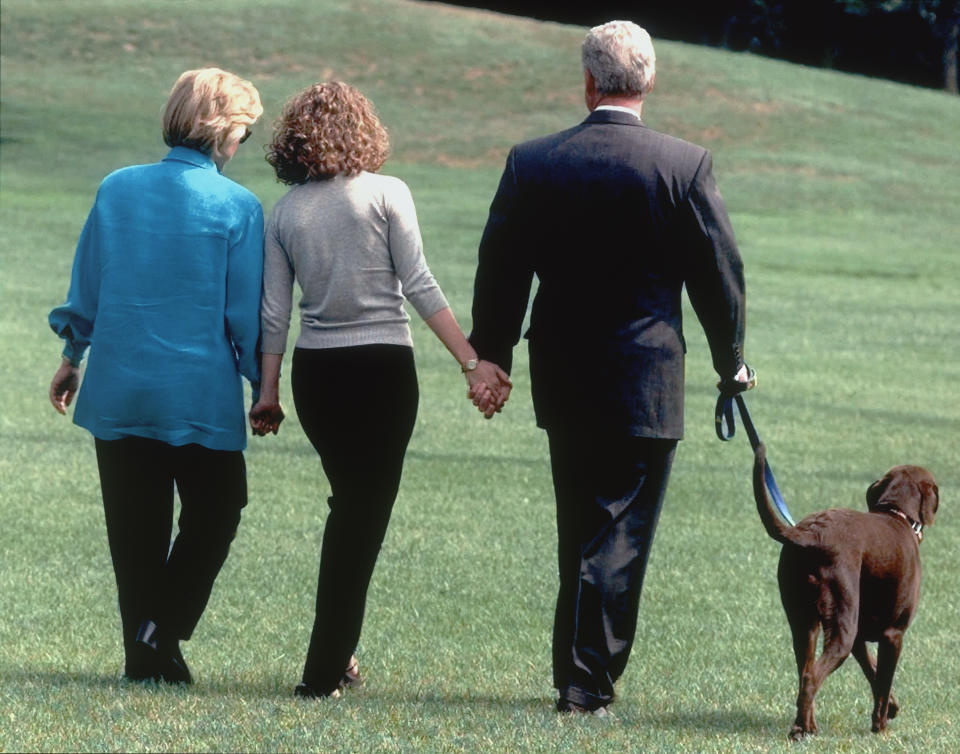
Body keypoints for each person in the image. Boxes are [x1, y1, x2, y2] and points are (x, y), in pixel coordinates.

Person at [467, 21, 754, 715]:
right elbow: (719, 277)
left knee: (582, 526)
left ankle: (575, 669)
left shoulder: (533, 161)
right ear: (648, 80)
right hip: (647, 374)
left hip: (561, 371)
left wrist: (493, 356)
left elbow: (499, 269)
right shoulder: (683, 165)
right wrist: (731, 363)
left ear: (589, 81)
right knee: (621, 532)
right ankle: (586, 680)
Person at [249, 81, 510, 699]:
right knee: (360, 517)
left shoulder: (284, 212)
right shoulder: (388, 193)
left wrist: (267, 392)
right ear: (363, 130)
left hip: (317, 376)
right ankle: (322, 672)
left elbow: (274, 313)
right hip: (382, 372)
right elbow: (418, 283)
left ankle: (338, 659)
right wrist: (472, 362)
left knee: (352, 507)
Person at [48, 68, 265, 684]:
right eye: (243, 134)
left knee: (134, 534)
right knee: (219, 511)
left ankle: (144, 656)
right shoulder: (240, 207)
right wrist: (261, 386)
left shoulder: (116, 189)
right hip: (198, 394)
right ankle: (160, 630)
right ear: (225, 133)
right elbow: (243, 314)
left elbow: (88, 285)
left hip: (118, 386)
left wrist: (72, 358)